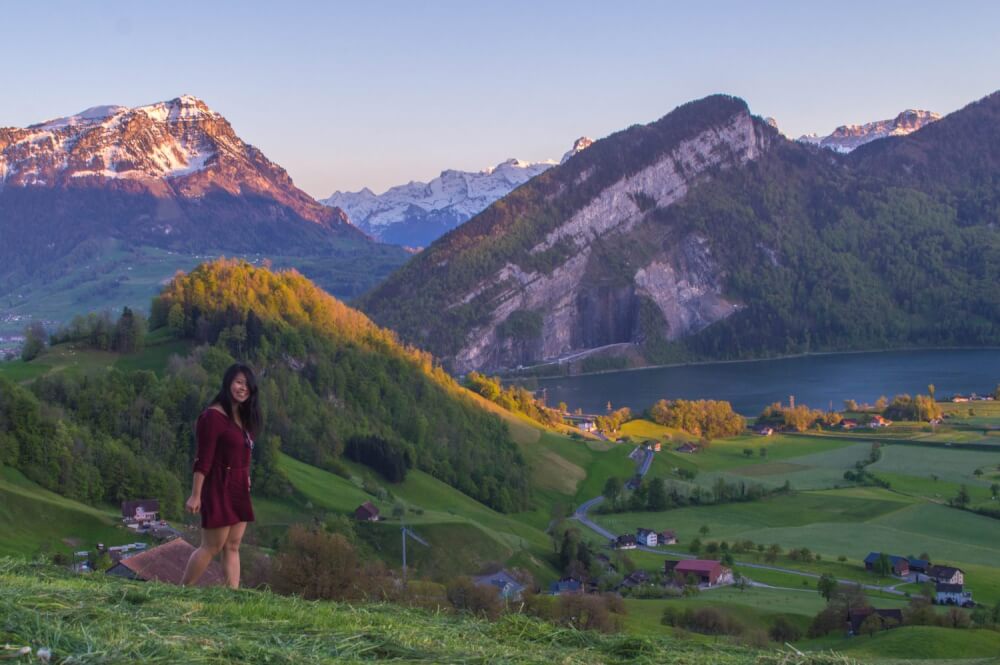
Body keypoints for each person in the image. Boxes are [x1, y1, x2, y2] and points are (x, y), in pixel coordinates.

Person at [181, 363, 259, 588]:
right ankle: (181, 589)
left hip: (239, 487)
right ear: (228, 383)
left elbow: (243, 450)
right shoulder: (213, 417)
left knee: (233, 545)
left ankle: (232, 597)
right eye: (238, 382)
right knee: (211, 546)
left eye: (247, 385)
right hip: (218, 486)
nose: (243, 388)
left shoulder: (243, 418)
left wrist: (246, 475)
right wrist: (196, 495)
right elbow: (203, 459)